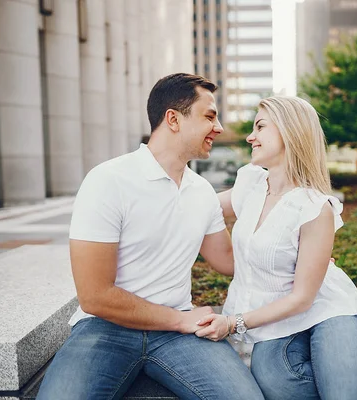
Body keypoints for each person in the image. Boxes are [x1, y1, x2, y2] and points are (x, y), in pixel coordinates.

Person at [194, 96, 357, 399]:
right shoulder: (251, 184)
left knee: (343, 394)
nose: (250, 137)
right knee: (282, 385)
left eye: (260, 127)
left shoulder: (315, 207)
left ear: (290, 131)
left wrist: (233, 323)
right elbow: (201, 207)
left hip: (326, 309)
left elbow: (302, 298)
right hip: (277, 317)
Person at [36, 73, 264, 400]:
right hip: (105, 328)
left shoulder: (201, 191)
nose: (219, 128)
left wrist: (301, 255)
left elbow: (229, 261)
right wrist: (179, 320)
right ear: (173, 119)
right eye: (209, 117)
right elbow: (95, 296)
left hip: (178, 337)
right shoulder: (108, 180)